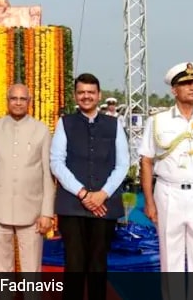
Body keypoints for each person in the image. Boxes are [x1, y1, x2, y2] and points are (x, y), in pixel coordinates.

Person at [139, 62, 193, 300]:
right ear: (174, 90)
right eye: (187, 83)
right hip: (169, 192)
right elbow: (146, 161)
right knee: (171, 257)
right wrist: (149, 201)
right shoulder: (157, 121)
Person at [51, 73, 129, 300]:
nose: (86, 97)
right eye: (82, 92)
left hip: (105, 205)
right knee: (74, 263)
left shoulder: (114, 124)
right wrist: (83, 193)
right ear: (76, 95)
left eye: (91, 93)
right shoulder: (65, 123)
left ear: (99, 95)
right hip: (72, 204)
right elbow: (56, 161)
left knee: (98, 263)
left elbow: (123, 164)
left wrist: (102, 194)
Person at [0, 83, 55, 273]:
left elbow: (48, 173)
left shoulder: (41, 130)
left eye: (22, 99)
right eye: (14, 98)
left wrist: (46, 212)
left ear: (29, 102)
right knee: (1, 268)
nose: (18, 103)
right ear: (7, 101)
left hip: (32, 212)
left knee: (31, 270)